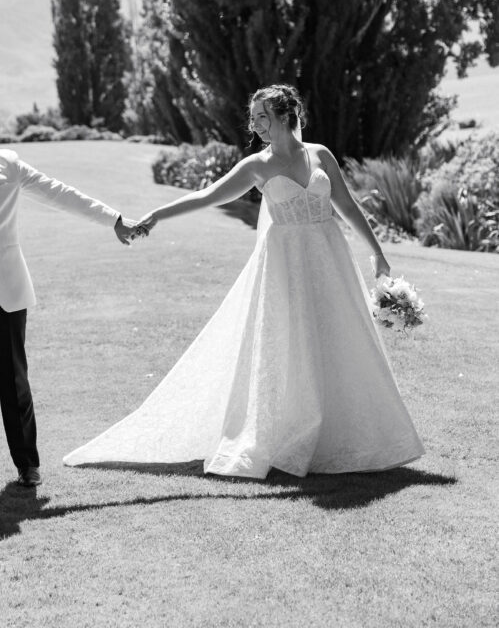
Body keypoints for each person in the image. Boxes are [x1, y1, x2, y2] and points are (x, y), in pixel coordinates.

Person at [63, 84, 423, 479]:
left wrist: (378, 253)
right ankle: (287, 432)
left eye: (261, 117)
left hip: (329, 260)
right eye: (252, 118)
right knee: (290, 344)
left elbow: (347, 205)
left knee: (338, 339)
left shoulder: (320, 155)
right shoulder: (257, 166)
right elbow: (208, 195)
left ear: (286, 115)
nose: (254, 125)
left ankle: (345, 436)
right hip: (284, 266)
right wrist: (157, 215)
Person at [0, 90, 146, 491]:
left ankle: (27, 465)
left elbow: (59, 193)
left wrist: (114, 219)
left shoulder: (10, 164)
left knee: (14, 380)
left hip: (6, 290)